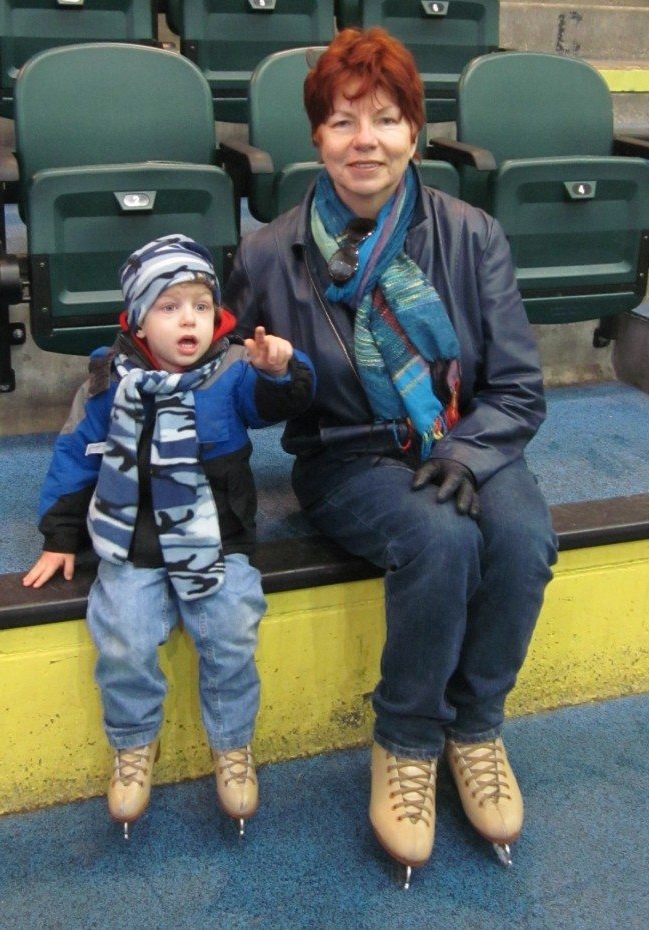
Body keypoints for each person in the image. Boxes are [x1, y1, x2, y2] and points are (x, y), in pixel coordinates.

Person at [224, 28, 558, 881]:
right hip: (346, 456)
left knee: (523, 541)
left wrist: (471, 452)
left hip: (464, 440)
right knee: (440, 540)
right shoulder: (269, 252)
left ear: (415, 130)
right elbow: (256, 409)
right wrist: (271, 375)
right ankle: (407, 740)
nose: (363, 140)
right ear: (317, 141)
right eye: (342, 122)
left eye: (383, 119)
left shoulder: (471, 235)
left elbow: (518, 389)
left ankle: (476, 727)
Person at [23, 234, 315, 839]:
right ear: (136, 319)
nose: (190, 319)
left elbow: (281, 403)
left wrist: (283, 369)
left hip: (218, 537)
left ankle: (232, 747)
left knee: (232, 630)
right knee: (124, 637)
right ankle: (134, 746)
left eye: (201, 306)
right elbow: (77, 457)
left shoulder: (233, 371)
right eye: (170, 306)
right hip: (132, 539)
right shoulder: (109, 382)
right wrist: (59, 535)